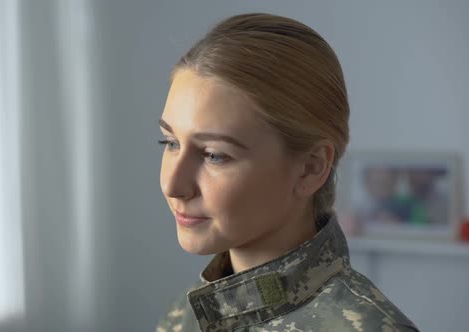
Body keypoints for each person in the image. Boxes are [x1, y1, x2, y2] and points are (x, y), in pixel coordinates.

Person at [156, 13, 418, 332]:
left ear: (311, 167)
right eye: (170, 142)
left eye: (214, 155)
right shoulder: (181, 318)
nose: (172, 185)